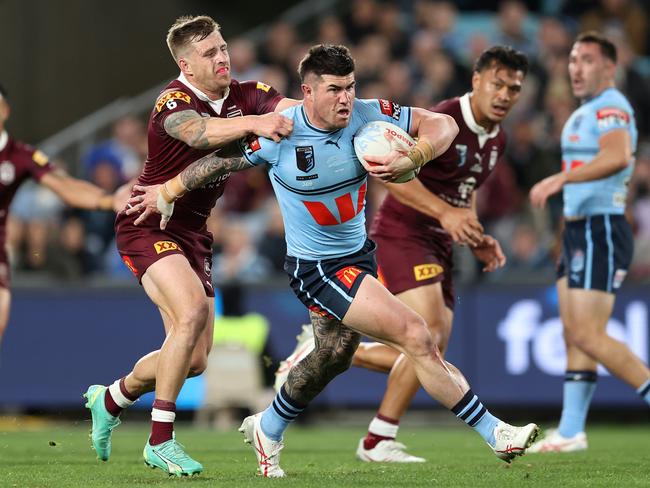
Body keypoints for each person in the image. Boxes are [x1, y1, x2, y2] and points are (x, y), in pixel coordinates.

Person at [130, 44, 539, 478]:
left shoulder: (368, 115)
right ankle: (494, 432)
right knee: (416, 333)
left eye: (350, 87)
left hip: (359, 256)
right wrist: (168, 191)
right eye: (333, 90)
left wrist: (415, 155)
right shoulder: (280, 134)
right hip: (318, 268)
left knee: (335, 354)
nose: (345, 99)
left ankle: (267, 427)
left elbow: (441, 124)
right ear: (307, 92)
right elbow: (217, 163)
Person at [274, 45, 530, 462]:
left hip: (439, 238)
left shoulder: (495, 138)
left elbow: (462, 194)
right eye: (498, 85)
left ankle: (375, 432)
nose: (504, 95)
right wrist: (444, 210)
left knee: (432, 343)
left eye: (514, 89)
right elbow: (388, 171)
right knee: (420, 333)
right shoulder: (447, 116)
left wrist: (474, 233)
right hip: (403, 230)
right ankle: (466, 433)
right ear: (477, 81)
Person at [82, 15, 296, 476]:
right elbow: (198, 132)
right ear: (186, 64)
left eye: (222, 48)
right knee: (192, 312)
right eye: (210, 53)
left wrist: (346, 112)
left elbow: (294, 113)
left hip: (194, 234)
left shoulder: (246, 93)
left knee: (195, 360)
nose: (222, 58)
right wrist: (258, 123)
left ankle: (111, 398)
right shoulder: (172, 100)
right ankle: (161, 439)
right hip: (149, 222)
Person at [527, 31, 650, 453]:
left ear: (610, 67)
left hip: (602, 228)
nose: (576, 68)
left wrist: (561, 178)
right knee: (572, 333)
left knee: (588, 333)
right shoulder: (586, 111)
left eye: (588, 60)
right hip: (579, 230)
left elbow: (617, 157)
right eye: (573, 59)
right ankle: (573, 430)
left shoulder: (612, 108)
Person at [0, 83, 119, 345]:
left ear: (6, 110)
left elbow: (64, 186)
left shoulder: (20, 156)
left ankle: (31, 262)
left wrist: (109, 200)